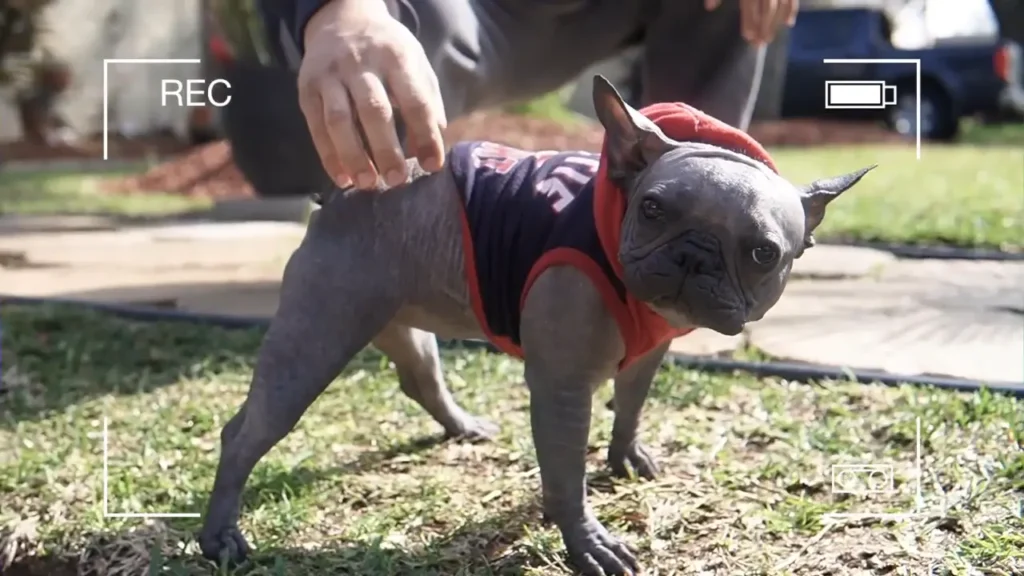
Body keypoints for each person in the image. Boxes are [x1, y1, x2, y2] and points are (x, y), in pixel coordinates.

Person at [252, 0, 798, 191]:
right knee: (369, 46)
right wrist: (338, 8)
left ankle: (695, 206)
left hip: (590, 18)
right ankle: (371, 236)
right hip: (444, 17)